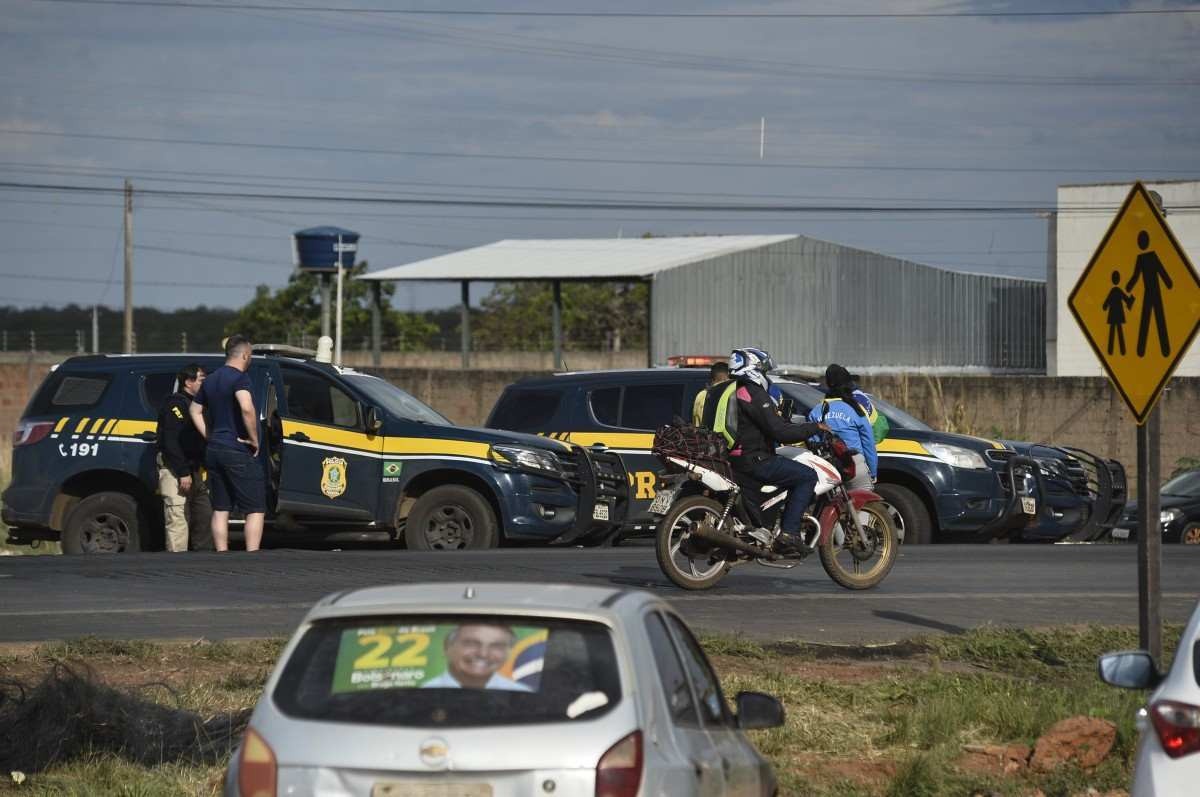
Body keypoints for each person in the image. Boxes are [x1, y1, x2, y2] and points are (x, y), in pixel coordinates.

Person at [721, 347, 825, 553]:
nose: (766, 376)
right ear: (754, 370)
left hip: (735, 457)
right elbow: (780, 432)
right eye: (764, 371)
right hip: (754, 459)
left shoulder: (733, 391)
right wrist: (814, 427)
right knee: (806, 476)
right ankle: (789, 534)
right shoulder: (753, 393)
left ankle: (765, 526)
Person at [189, 335, 265, 552]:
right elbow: (247, 407)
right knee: (255, 508)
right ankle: (253, 555)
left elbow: (194, 410)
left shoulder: (210, 379)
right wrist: (253, 438)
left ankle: (222, 554)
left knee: (221, 508)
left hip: (214, 449)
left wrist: (209, 436)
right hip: (237, 449)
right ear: (244, 355)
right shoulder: (240, 378)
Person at [156, 363, 213, 552]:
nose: (205, 384)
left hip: (195, 470)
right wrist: (182, 472)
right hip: (175, 470)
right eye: (201, 380)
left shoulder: (198, 405)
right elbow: (171, 441)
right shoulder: (175, 404)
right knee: (177, 517)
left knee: (204, 515)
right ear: (188, 382)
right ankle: (176, 563)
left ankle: (201, 560)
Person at [809, 364, 877, 491]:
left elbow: (814, 445)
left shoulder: (816, 411)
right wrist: (872, 472)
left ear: (828, 385)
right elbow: (868, 444)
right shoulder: (856, 409)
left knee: (835, 509)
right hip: (856, 466)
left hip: (830, 469)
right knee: (864, 508)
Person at [422, 623, 533, 691]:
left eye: (496, 646)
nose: (483, 654)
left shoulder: (523, 693)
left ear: (508, 654)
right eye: (471, 643)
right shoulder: (422, 691)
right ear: (447, 647)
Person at [691, 361, 730, 425]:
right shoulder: (731, 394)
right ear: (728, 376)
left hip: (705, 434)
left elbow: (696, 422)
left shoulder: (702, 395)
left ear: (712, 378)